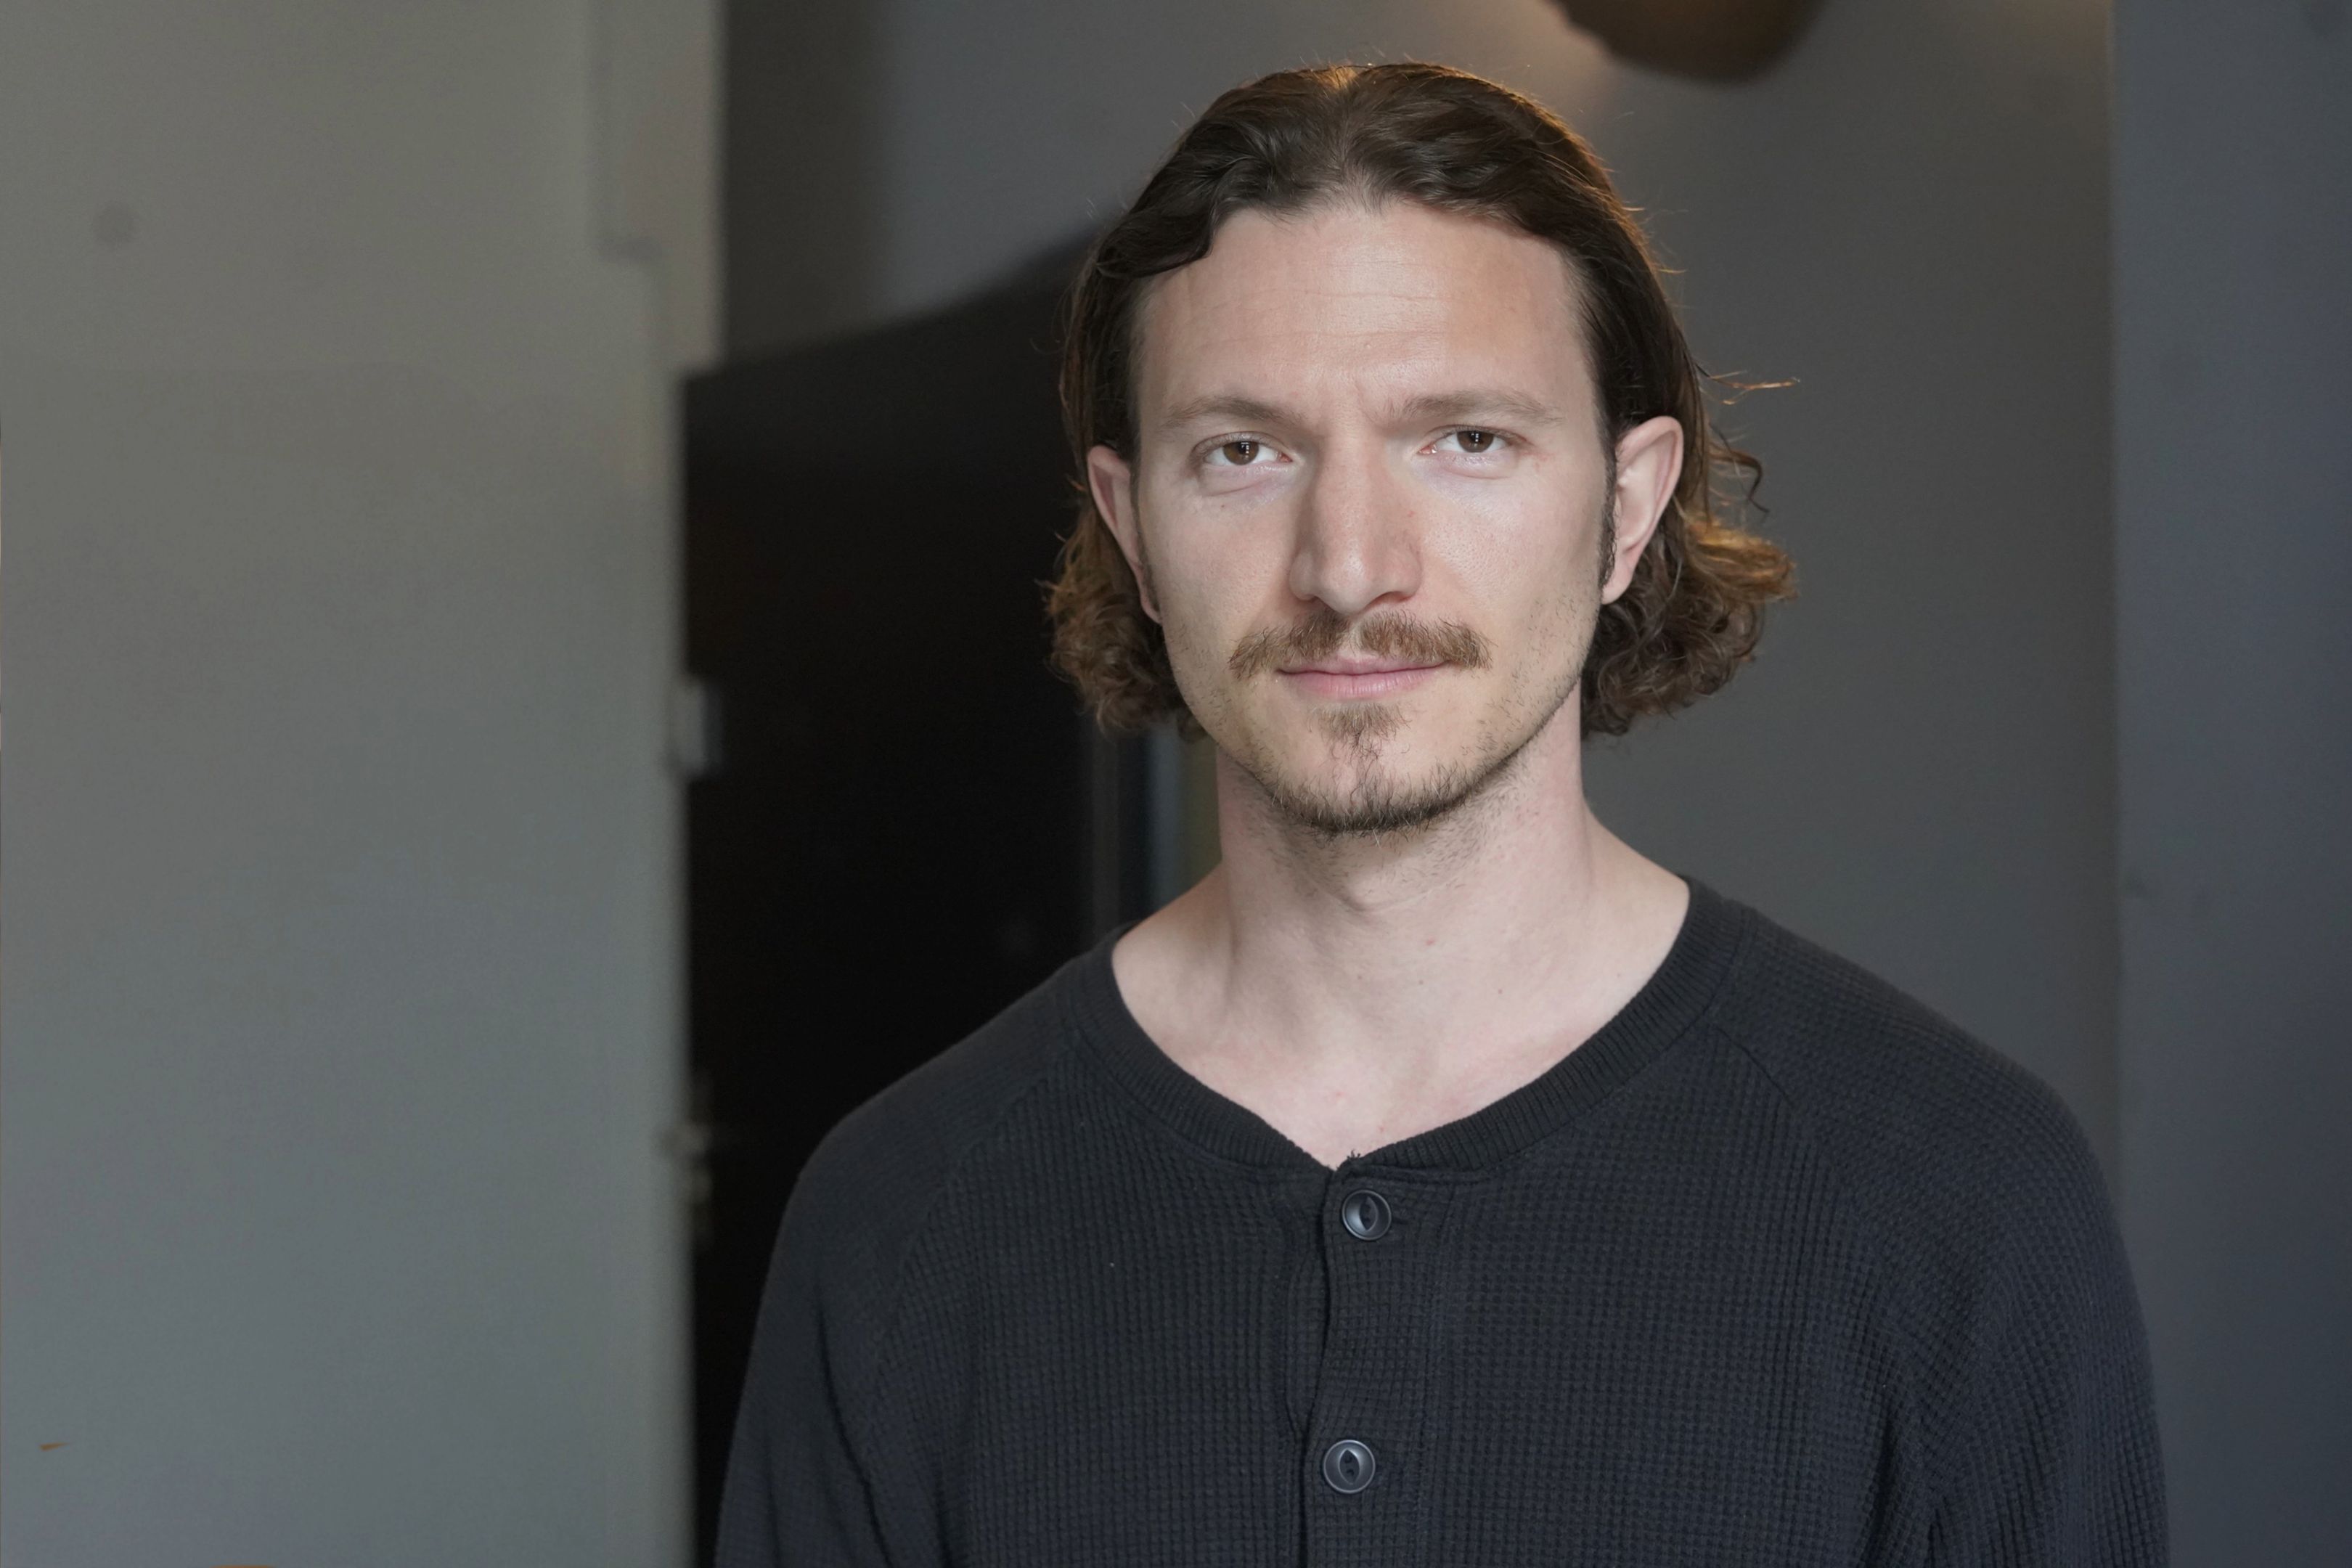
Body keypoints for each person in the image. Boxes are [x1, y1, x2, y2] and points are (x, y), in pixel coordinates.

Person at [716, 60, 2166, 1566]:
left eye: (1466, 439)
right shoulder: (898, 1218)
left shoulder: (1956, 1196)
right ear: (1135, 528)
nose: (1350, 566)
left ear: (1626, 508)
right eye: (1243, 451)